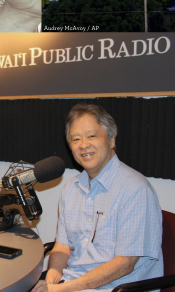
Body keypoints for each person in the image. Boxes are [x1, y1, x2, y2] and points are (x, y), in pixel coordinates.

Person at [32, 104, 162, 292]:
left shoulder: (135, 190)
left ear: (111, 140)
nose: (84, 145)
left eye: (92, 136)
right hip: (74, 281)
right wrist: (53, 274)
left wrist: (61, 289)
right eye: (76, 139)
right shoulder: (71, 188)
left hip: (118, 287)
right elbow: (62, 246)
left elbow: (125, 264)